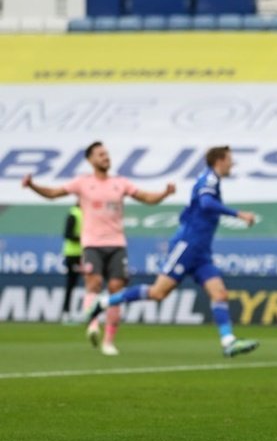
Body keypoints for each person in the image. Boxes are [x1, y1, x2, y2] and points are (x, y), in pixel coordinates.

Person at [83, 146, 260, 358]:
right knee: (158, 293)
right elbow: (205, 202)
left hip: (201, 252)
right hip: (186, 246)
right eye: (230, 159)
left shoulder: (214, 180)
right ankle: (104, 302)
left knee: (219, 293)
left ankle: (228, 342)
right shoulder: (209, 179)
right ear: (220, 160)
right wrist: (238, 214)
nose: (232, 164)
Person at [22, 141, 175, 355]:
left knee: (116, 290)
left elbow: (146, 197)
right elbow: (54, 193)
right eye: (101, 154)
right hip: (92, 244)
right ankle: (93, 324)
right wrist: (32, 185)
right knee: (93, 283)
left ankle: (109, 341)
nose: (106, 157)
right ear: (90, 160)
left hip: (117, 244)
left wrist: (164, 193)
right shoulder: (82, 183)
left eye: (106, 154)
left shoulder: (120, 183)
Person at [60, 201, 84, 324]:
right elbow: (67, 234)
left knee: (90, 284)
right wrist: (83, 238)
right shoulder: (74, 214)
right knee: (71, 284)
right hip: (73, 254)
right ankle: (66, 312)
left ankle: (85, 312)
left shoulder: (86, 213)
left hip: (85, 254)